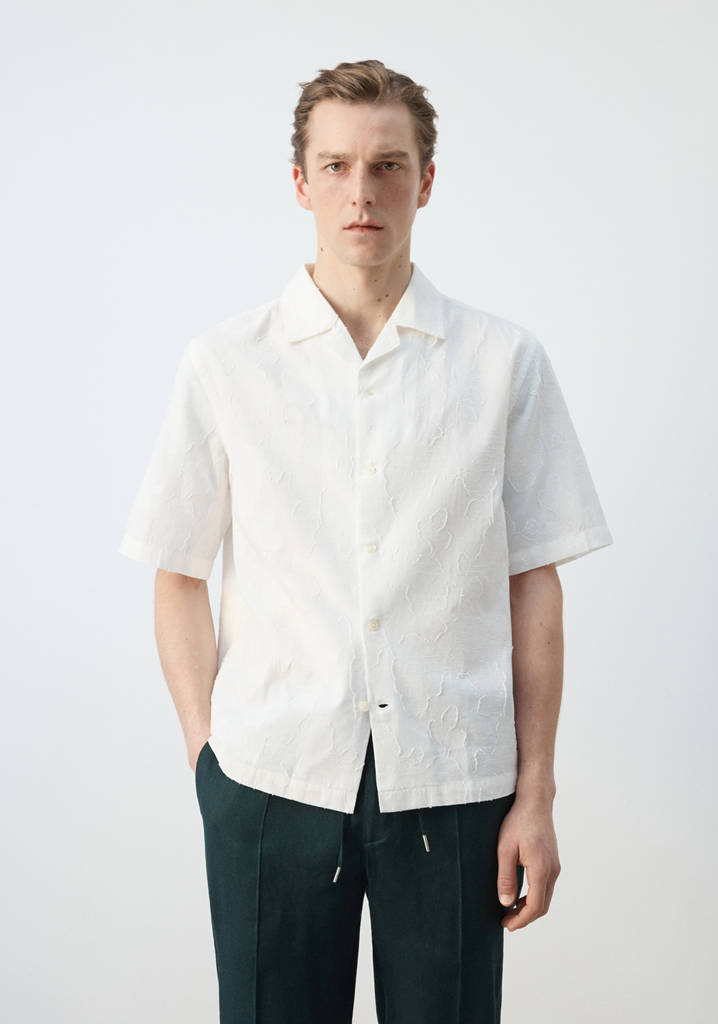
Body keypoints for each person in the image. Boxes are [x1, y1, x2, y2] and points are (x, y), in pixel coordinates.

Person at [119, 59, 613, 1024]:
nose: (361, 192)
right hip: (269, 776)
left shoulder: (502, 362)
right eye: (336, 166)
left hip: (456, 781)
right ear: (299, 182)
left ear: (424, 182)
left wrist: (536, 793)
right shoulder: (225, 364)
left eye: (387, 165)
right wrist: (209, 759)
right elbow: (177, 572)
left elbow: (534, 583)